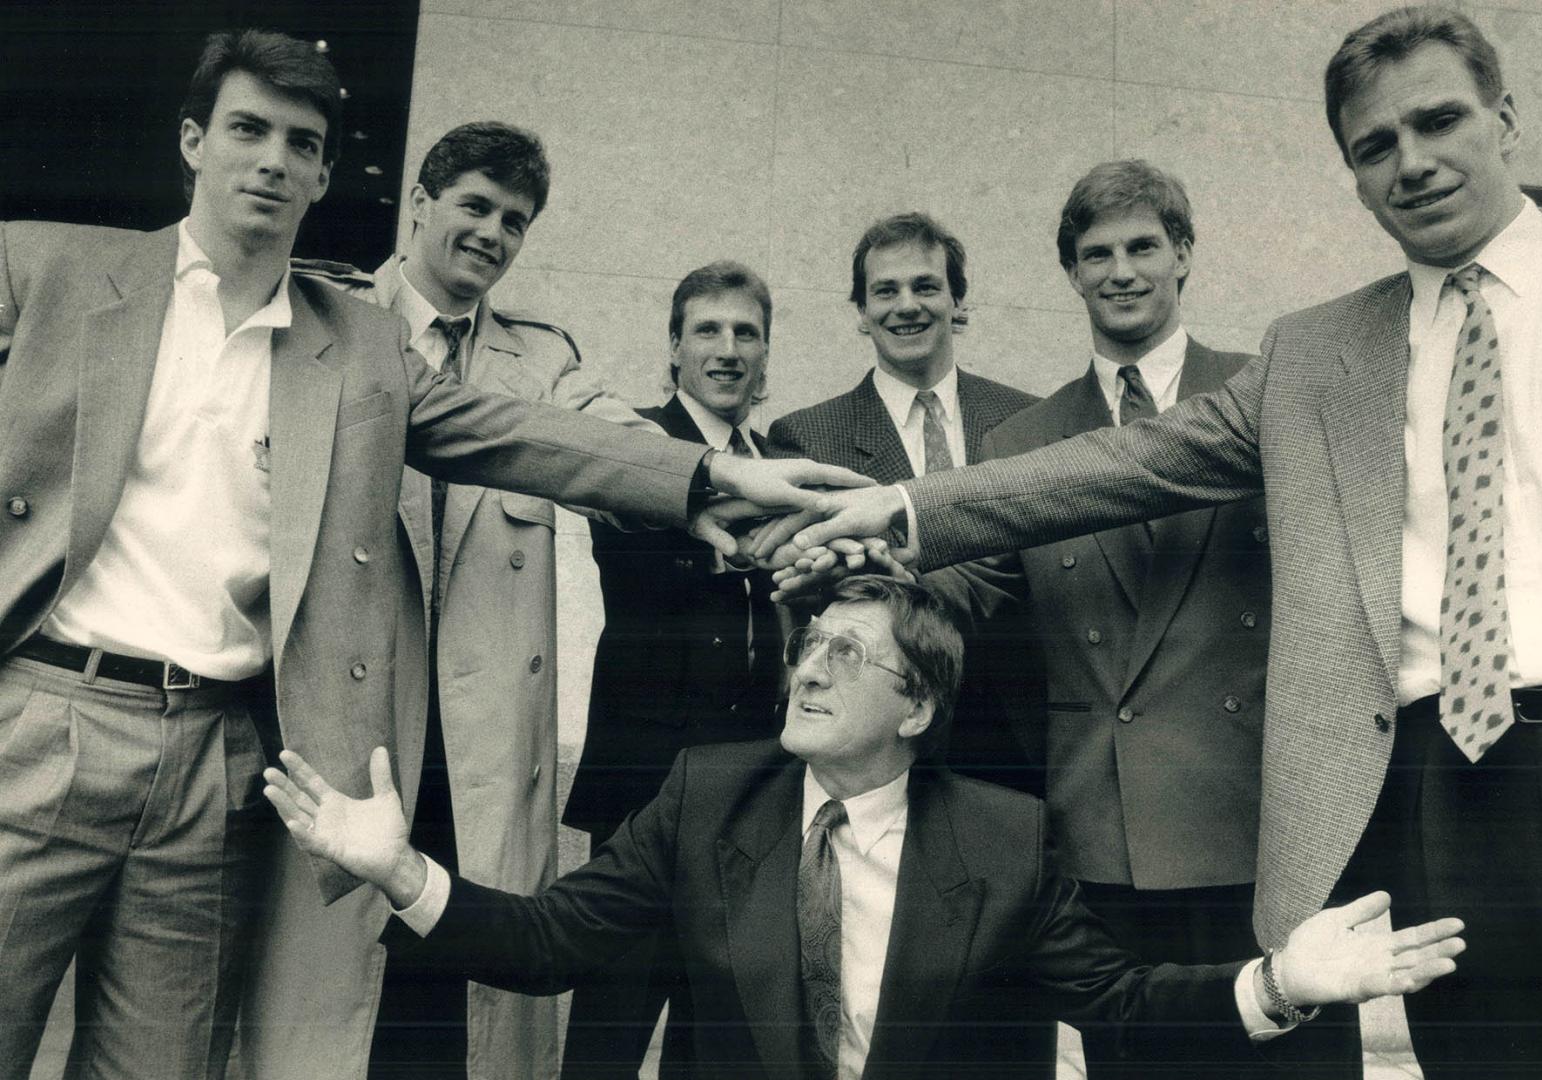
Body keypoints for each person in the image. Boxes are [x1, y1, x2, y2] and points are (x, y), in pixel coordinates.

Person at [778, 7, 1542, 1076]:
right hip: (1444, 783)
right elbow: (1114, 465)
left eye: (1439, 121)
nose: (1412, 162)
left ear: (1506, 118)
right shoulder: (1314, 355)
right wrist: (904, 513)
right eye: (1373, 146)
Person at [0, 29, 862, 1079]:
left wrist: (713, 478)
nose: (272, 159)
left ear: (325, 172)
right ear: (192, 140)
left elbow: (532, 436)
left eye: (300, 142)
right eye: (246, 130)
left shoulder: (357, 347)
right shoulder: (44, 268)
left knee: (158, 1063)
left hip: (222, 754)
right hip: (54, 720)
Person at [265, 576, 1465, 1080]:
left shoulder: (1000, 837)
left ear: (919, 706)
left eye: (850, 653)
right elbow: (545, 944)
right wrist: (398, 870)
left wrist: (1283, 983)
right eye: (809, 645)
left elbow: (1120, 999)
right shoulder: (703, 795)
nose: (809, 668)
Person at [238, 120, 657, 1079]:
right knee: (327, 1033)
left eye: (514, 220)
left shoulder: (542, 363)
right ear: (420, 205)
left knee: (452, 1034)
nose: (493, 233)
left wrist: (718, 484)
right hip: (346, 744)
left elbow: (621, 444)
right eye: (474, 206)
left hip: (474, 775)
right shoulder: (316, 320)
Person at [924, 160, 1269, 1079]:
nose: (1120, 271)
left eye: (1142, 247)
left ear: (1183, 254)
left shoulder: (1263, 392)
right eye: (1095, 254)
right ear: (1071, 274)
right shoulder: (1023, 443)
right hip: (1103, 831)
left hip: (1256, 819)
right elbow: (966, 588)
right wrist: (868, 555)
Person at [562, 261, 786, 1077]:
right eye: (708, 330)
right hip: (642, 797)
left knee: (714, 1040)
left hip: (752, 804)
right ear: (674, 349)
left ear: (765, 355)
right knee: (609, 1034)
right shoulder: (630, 450)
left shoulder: (781, 458)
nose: (727, 350)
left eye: (746, 333)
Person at [768, 211, 1042, 799]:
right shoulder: (809, 439)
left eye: (925, 286)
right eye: (884, 291)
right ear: (861, 314)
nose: (906, 305)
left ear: (958, 302)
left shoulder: (1029, 423)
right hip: (876, 741)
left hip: (1019, 736)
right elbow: (807, 592)